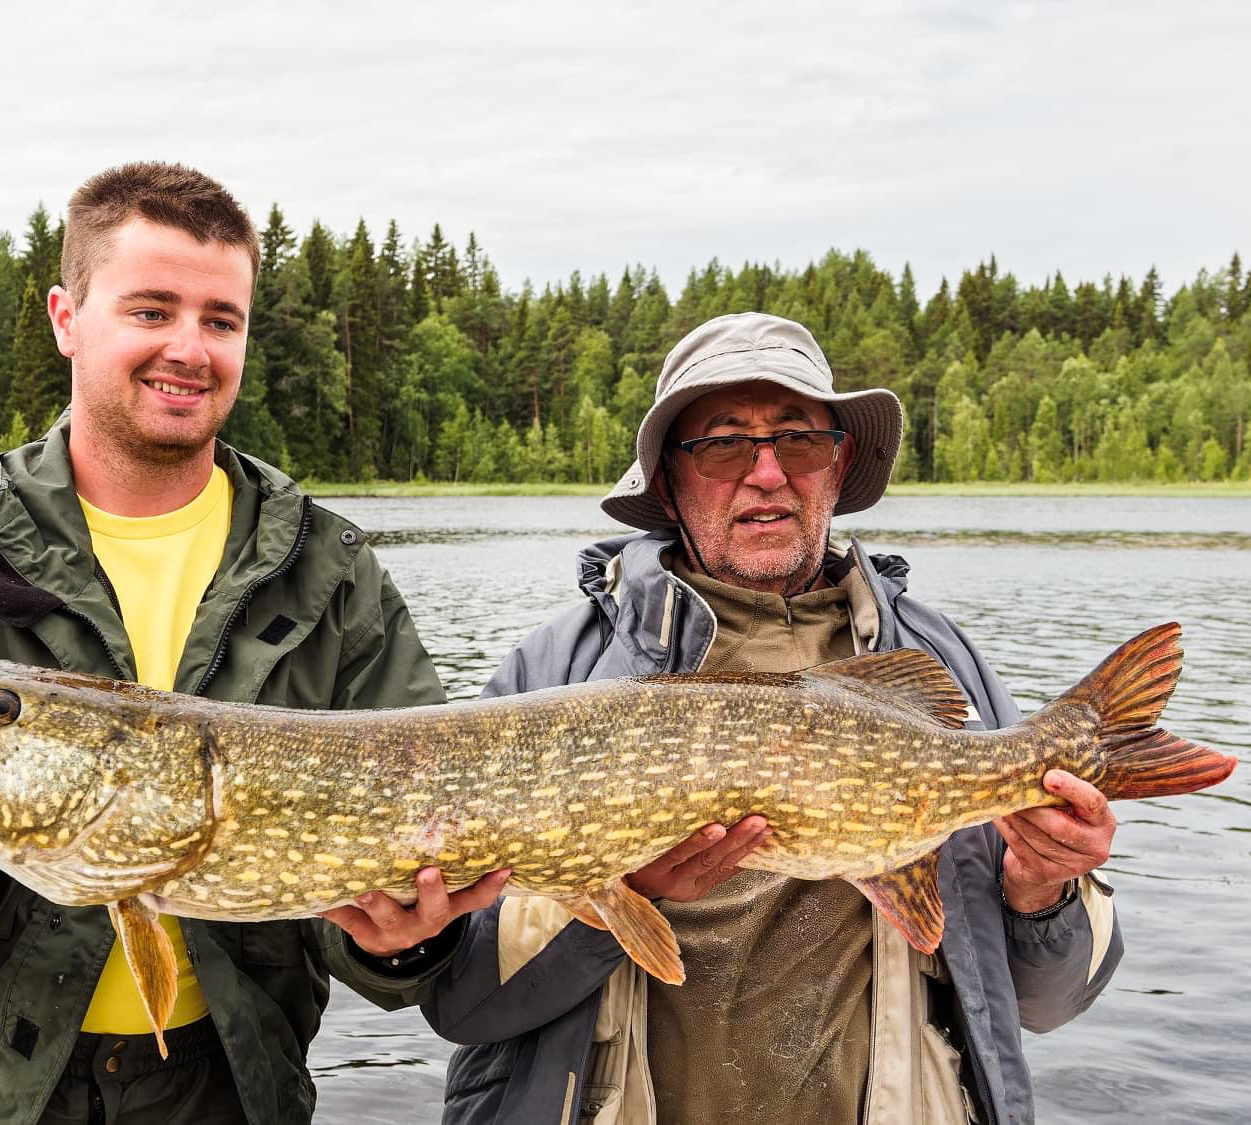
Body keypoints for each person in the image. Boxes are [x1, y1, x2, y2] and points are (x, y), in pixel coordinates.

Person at [0, 161, 505, 1125]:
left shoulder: (329, 572)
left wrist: (404, 939)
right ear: (66, 317)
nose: (190, 347)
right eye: (151, 310)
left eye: (221, 320)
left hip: (227, 1095)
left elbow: (394, 958)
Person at [423, 312, 1123, 1125]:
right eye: (724, 444)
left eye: (799, 439)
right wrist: (616, 902)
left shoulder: (939, 665)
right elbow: (465, 1003)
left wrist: (1043, 888)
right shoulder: (553, 676)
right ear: (668, 482)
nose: (767, 473)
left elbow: (1051, 1001)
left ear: (839, 462)